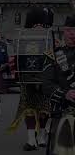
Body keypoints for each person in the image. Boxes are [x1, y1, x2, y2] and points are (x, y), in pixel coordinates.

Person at [8, 7, 53, 151]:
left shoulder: (50, 37)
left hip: (45, 79)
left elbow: (54, 57)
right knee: (28, 109)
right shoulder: (22, 37)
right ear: (31, 24)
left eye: (40, 24)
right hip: (27, 78)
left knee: (44, 109)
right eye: (35, 24)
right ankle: (30, 139)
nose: (38, 26)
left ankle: (40, 136)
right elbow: (17, 57)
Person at [42, 14, 75, 154]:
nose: (73, 33)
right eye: (69, 30)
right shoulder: (54, 55)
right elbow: (46, 84)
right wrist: (65, 94)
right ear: (64, 32)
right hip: (62, 113)